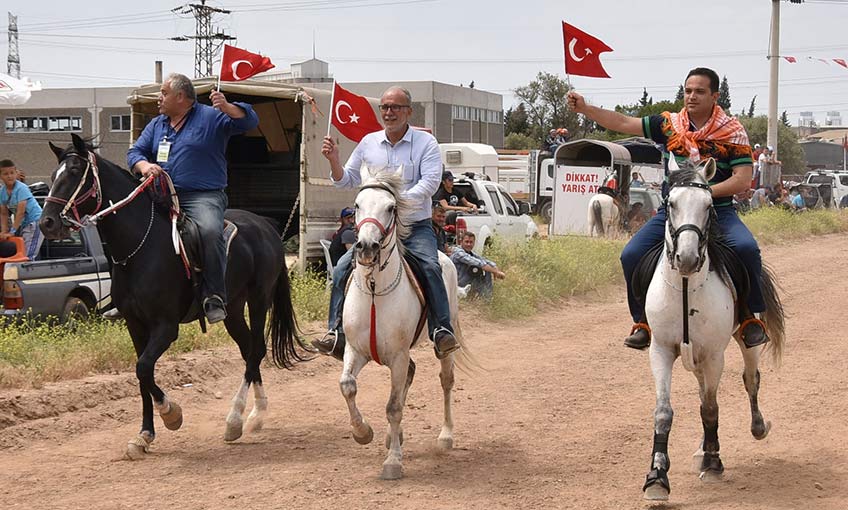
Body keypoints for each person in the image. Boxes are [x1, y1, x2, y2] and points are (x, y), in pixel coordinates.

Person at [568, 66, 768, 351]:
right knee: (631, 254)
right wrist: (586, 109)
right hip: (672, 213)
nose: (692, 97)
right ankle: (642, 322)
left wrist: (700, 194)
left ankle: (750, 318)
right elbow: (624, 122)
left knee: (747, 249)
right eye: (688, 91)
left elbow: (742, 179)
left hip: (717, 211)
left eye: (699, 91)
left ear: (714, 95)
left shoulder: (733, 132)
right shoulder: (669, 125)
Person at [312, 85, 459, 360]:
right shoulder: (368, 143)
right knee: (343, 267)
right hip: (377, 230)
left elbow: (429, 184)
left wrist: (393, 200)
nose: (389, 112)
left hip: (415, 227)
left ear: (408, 112)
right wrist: (334, 161)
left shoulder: (426, 144)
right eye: (385, 107)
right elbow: (347, 180)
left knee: (430, 265)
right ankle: (335, 333)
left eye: (395, 107)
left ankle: (441, 329)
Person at [127, 72, 259, 323]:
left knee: (209, 231)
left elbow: (248, 122)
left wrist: (227, 106)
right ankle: (127, 295)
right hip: (161, 194)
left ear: (180, 96)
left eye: (164, 93)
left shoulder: (211, 117)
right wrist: (144, 166)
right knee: (127, 225)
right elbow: (136, 152)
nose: (159, 98)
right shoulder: (157, 124)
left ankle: (214, 296)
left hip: (203, 196)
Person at [0, 159, 43, 260]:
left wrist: (12, 231)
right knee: (21, 250)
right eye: (6, 174)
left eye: (12, 173)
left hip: (35, 222)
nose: (9, 176)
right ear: (1, 176)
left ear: (16, 173)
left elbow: (20, 212)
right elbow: (4, 213)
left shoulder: (21, 188)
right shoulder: (2, 192)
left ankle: (28, 272)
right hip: (24, 225)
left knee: (28, 254)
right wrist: (4, 231)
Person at [450, 231, 505, 301]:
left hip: (465, 281)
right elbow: (478, 263)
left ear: (474, 243)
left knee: (487, 269)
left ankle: (486, 299)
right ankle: (487, 299)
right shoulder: (459, 253)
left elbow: (483, 260)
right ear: (461, 242)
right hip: (456, 282)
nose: (469, 244)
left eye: (471, 242)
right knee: (484, 268)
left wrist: (495, 268)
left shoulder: (470, 253)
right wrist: (495, 271)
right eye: (466, 242)